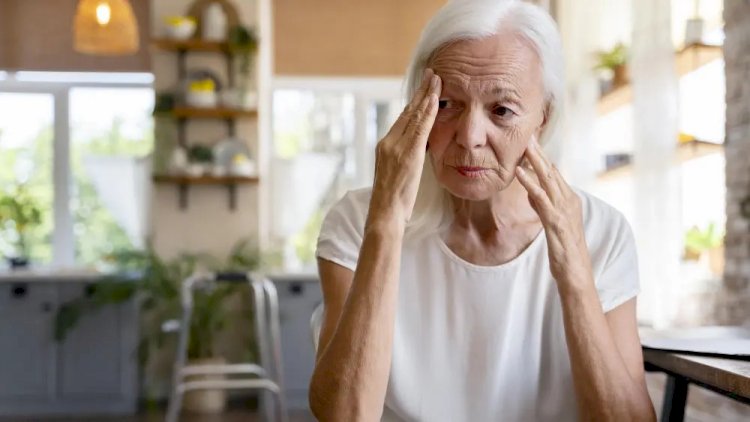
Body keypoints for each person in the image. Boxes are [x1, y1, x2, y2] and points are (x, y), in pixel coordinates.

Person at [309, 0, 656, 420]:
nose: (470, 137)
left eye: (502, 110)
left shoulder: (603, 232)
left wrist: (575, 271)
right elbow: (345, 416)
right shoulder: (357, 221)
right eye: (446, 105)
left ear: (542, 119)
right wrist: (385, 223)